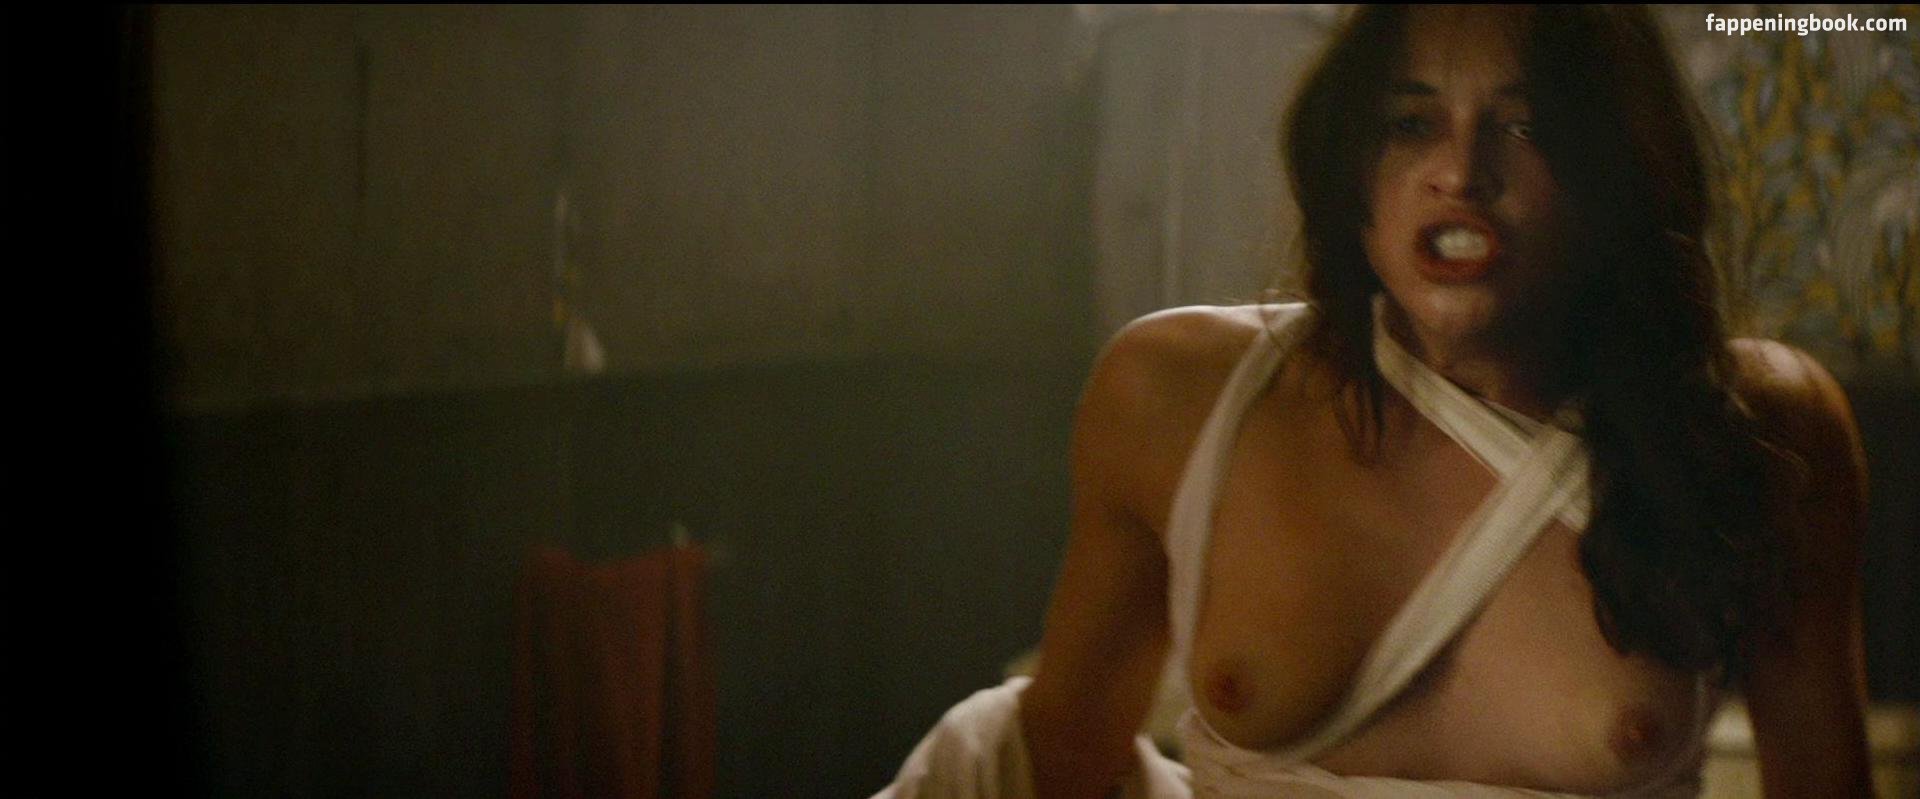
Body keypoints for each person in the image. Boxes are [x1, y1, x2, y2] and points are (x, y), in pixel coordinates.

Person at [878, 6, 1874, 798]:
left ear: (1614, 168)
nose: (1461, 174)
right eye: (1410, 122)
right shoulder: (1174, 392)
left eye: (1524, 124)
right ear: (1348, 164)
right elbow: (1058, 763)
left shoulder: (1758, 429)